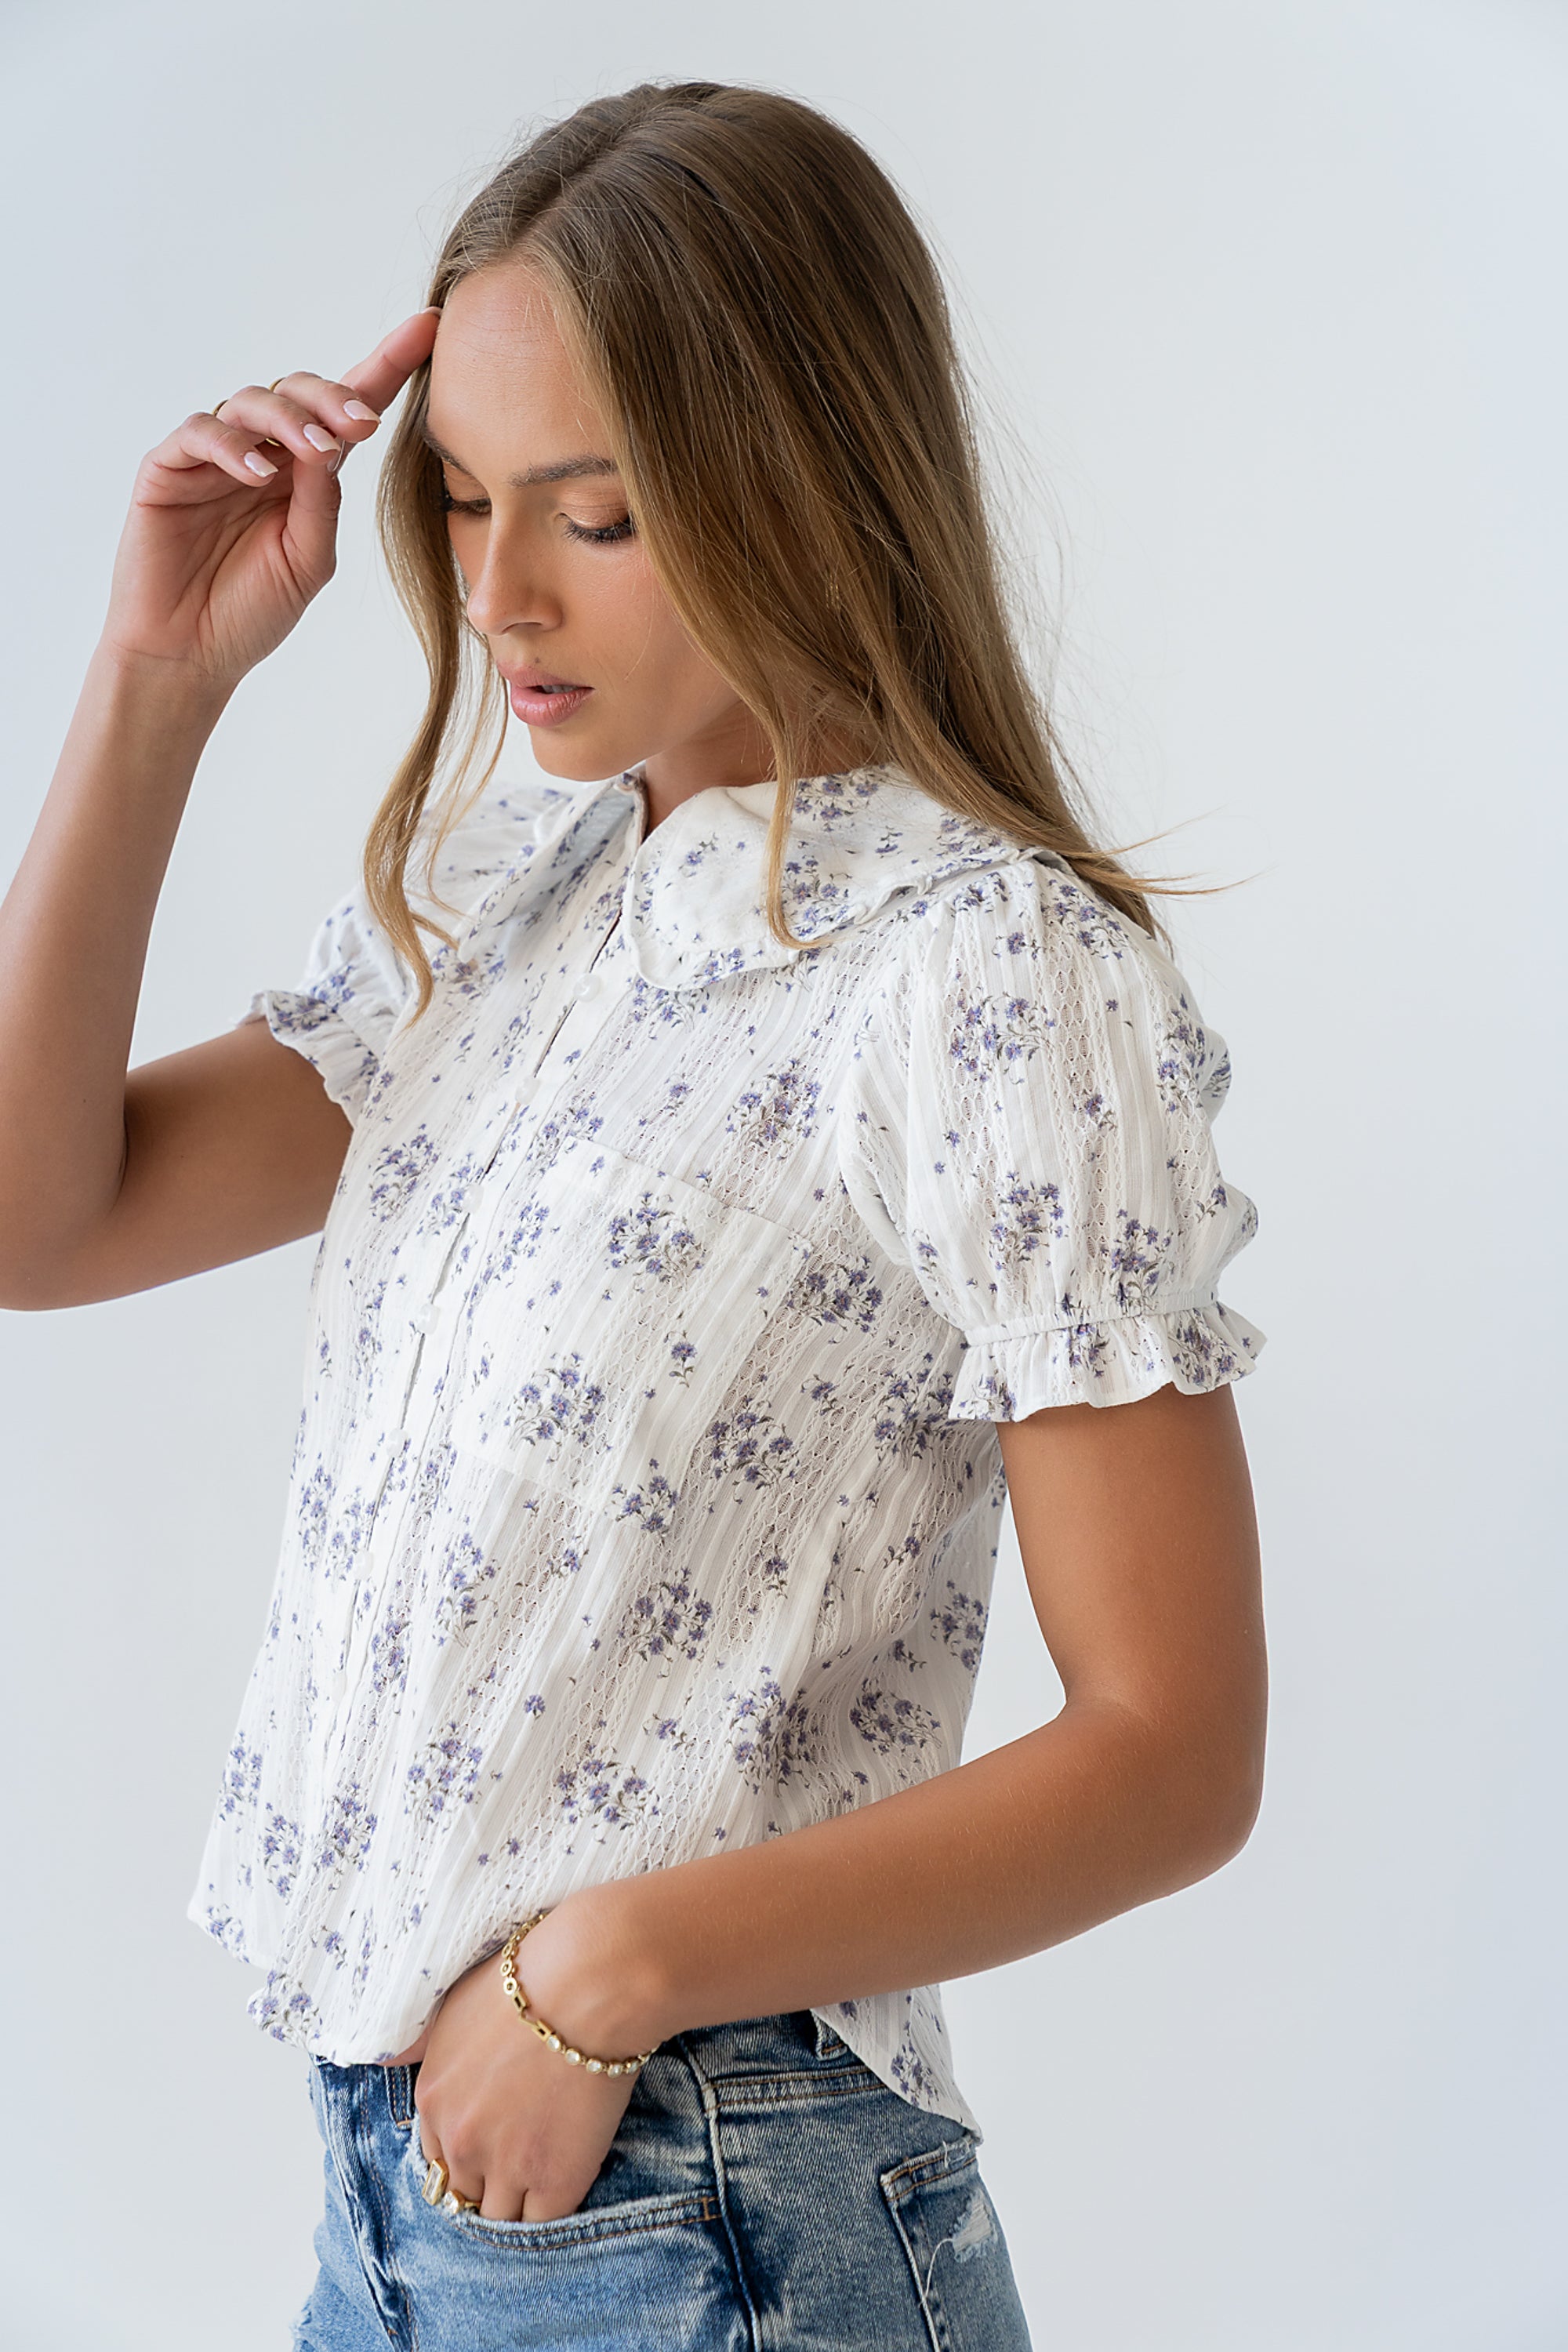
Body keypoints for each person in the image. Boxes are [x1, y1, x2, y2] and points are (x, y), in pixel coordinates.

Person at [0, 80, 1267, 2352]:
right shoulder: (517, 897)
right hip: (404, 2200)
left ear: (803, 477)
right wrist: (153, 684)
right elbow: (37, 1219)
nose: (500, 592)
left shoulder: (980, 971)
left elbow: (1173, 1751)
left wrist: (607, 1971)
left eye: (593, 512)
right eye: (464, 497)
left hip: (702, 2196)